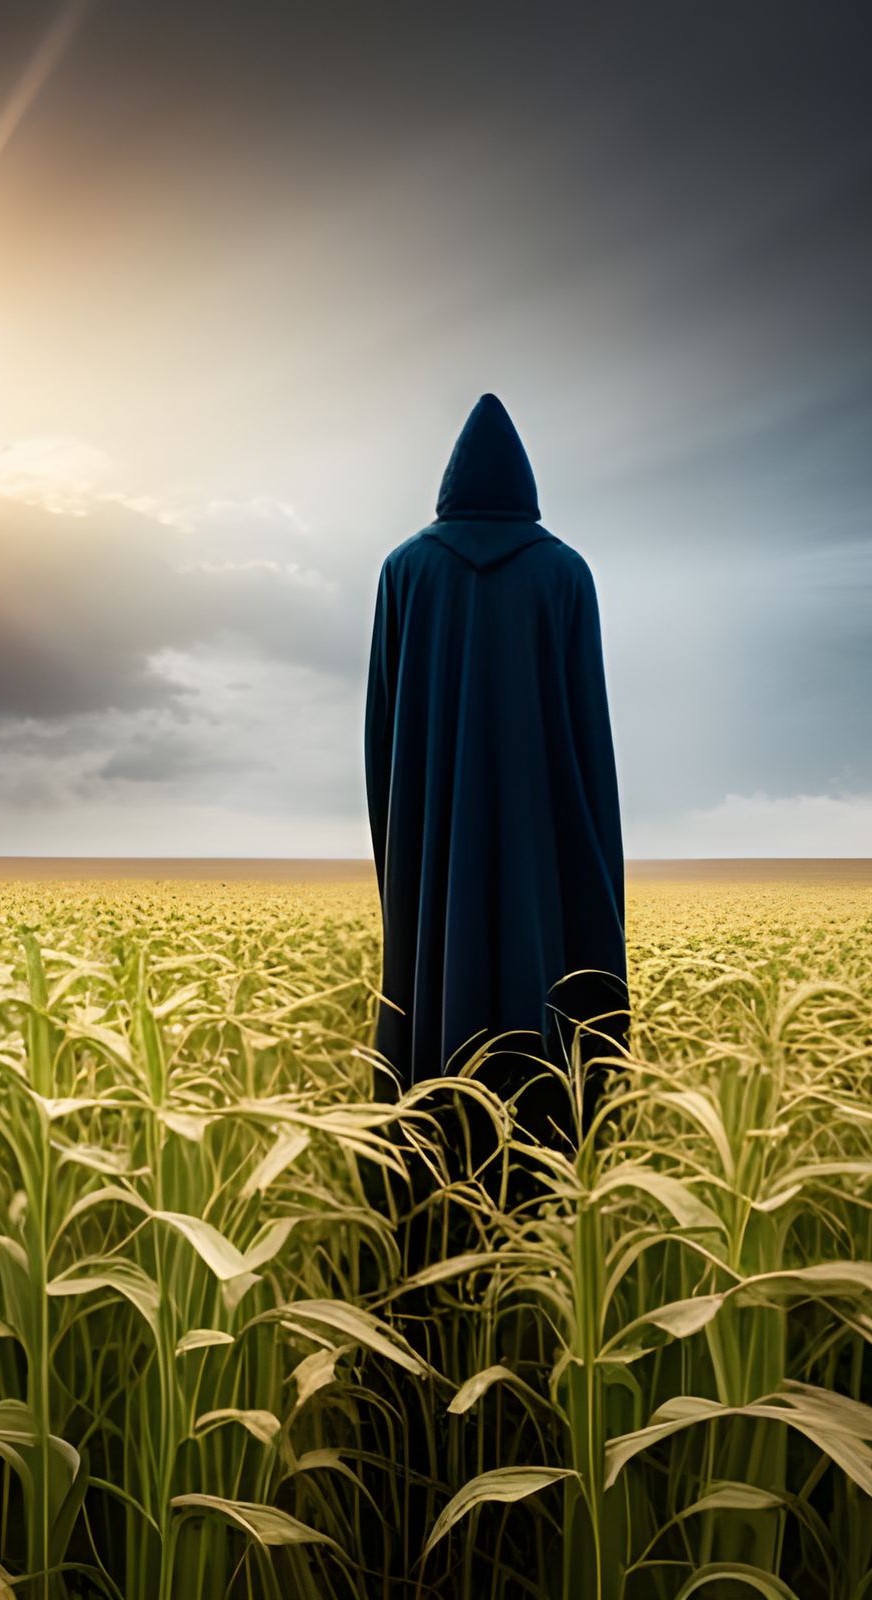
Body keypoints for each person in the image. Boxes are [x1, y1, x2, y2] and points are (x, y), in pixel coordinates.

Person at [363, 393, 627, 1159]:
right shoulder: (566, 572)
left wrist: (408, 840)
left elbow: (386, 731)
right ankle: (547, 1151)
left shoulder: (404, 570)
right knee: (546, 961)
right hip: (544, 838)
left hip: (433, 831)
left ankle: (425, 1153)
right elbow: (588, 734)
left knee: (433, 975)